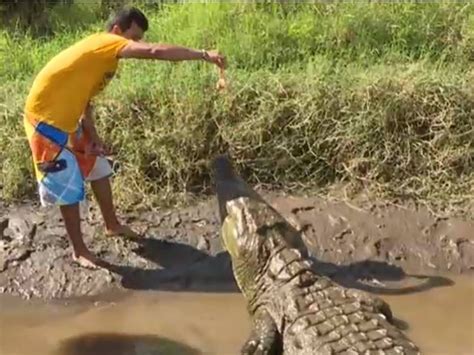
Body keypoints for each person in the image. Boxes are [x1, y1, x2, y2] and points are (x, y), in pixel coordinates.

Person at [23, 6, 226, 268]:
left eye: (139, 39)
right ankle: (79, 251)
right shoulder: (105, 43)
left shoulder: (106, 61)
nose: (137, 44)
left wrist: (92, 137)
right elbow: (155, 52)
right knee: (68, 187)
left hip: (70, 118)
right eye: (134, 37)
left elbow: (85, 99)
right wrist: (204, 55)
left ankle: (112, 225)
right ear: (118, 30)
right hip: (45, 122)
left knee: (99, 167)